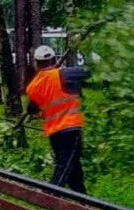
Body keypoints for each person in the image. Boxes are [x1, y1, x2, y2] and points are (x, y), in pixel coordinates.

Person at [25, 44, 89, 194]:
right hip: (70, 129)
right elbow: (87, 72)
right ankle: (49, 195)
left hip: (54, 132)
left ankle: (83, 201)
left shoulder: (32, 87)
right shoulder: (65, 74)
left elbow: (31, 110)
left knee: (74, 170)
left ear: (36, 63)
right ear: (54, 59)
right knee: (64, 167)